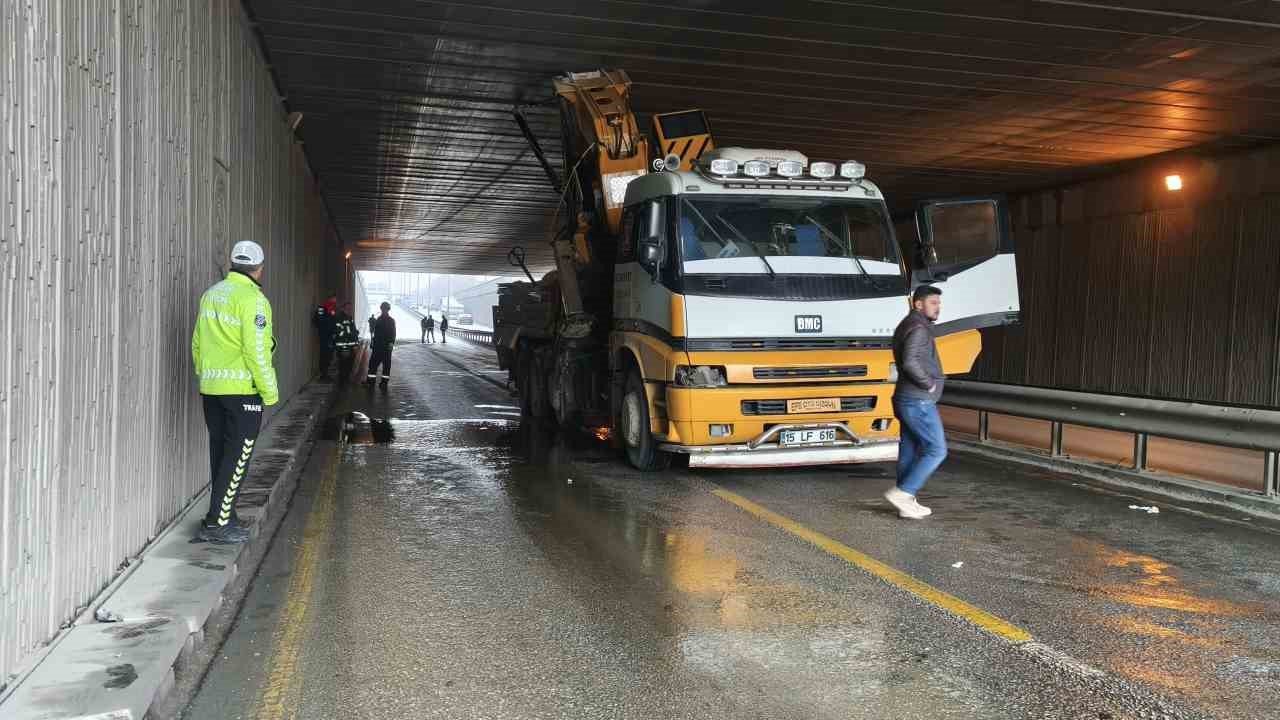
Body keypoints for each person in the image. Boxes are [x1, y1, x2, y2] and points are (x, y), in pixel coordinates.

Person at [190, 240, 278, 544]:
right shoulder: (253, 300)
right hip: (241, 390)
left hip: (212, 388)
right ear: (259, 268)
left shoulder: (211, 294)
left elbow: (198, 342)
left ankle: (222, 514)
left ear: (233, 263)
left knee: (221, 453)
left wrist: (206, 376)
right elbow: (257, 351)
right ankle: (217, 524)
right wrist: (269, 391)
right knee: (238, 456)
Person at [885, 285, 946, 520]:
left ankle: (906, 502)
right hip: (918, 400)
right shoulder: (919, 328)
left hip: (906, 398)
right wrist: (928, 383)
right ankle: (904, 493)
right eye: (933, 303)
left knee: (909, 450)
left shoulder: (907, 324)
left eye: (938, 303)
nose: (938, 307)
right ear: (918, 304)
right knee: (937, 449)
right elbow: (910, 362)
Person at [367, 301, 396, 388]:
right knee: (374, 365)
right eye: (383, 309)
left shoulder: (384, 320)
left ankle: (380, 383)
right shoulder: (381, 320)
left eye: (385, 309)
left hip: (382, 347)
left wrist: (391, 343)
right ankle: (373, 382)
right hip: (381, 347)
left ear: (387, 310)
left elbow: (393, 334)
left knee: (380, 365)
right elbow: (376, 333)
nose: (384, 310)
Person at [333, 301, 360, 386]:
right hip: (344, 346)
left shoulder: (350, 318)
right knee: (343, 365)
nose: (349, 310)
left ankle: (345, 381)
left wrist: (355, 344)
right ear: (343, 308)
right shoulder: (339, 318)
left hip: (350, 346)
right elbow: (340, 333)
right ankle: (342, 383)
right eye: (347, 308)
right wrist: (345, 347)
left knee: (349, 364)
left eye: (350, 308)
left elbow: (352, 332)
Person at [312, 294, 337, 380]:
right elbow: (318, 320)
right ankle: (323, 374)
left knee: (329, 355)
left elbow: (334, 322)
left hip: (331, 337)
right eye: (333, 299)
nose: (334, 302)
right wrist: (325, 329)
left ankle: (326, 373)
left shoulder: (333, 310)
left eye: (335, 300)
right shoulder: (321, 309)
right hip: (324, 336)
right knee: (324, 355)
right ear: (329, 299)